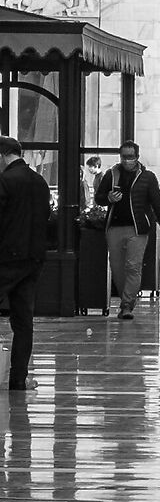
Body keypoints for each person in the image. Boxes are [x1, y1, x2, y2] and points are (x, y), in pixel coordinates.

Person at [92, 141, 160, 321]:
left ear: (137, 157)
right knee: (118, 267)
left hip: (138, 229)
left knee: (133, 266)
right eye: (124, 156)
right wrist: (109, 198)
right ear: (120, 157)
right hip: (115, 227)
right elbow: (99, 198)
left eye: (131, 156)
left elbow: (157, 203)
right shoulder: (111, 175)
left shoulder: (147, 177)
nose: (128, 160)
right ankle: (125, 298)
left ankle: (127, 304)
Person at [0, 136, 53, 393]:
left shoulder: (5, 181)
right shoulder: (40, 182)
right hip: (33, 259)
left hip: (6, 259)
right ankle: (18, 379)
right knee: (23, 322)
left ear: (2, 156)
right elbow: (47, 218)